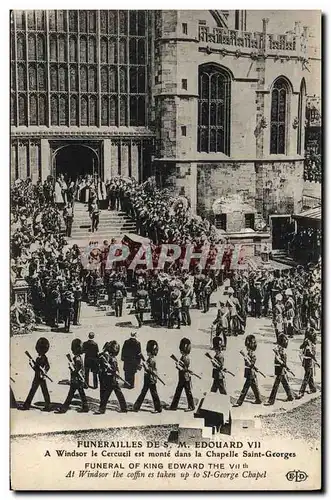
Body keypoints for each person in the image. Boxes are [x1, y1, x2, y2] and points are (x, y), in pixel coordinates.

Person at [56, 339, 89, 413]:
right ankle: (85, 407)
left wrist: (71, 368)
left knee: (70, 395)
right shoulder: (79, 357)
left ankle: (64, 409)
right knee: (81, 394)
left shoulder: (76, 358)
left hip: (76, 379)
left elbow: (77, 369)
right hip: (79, 379)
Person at [97, 341, 127, 414]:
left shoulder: (111, 358)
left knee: (106, 394)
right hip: (111, 377)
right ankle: (124, 408)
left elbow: (114, 368)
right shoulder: (110, 357)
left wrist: (114, 372)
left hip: (111, 378)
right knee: (118, 393)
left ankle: (102, 409)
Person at [266, 334, 297, 405]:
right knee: (284, 383)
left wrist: (284, 366)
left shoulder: (281, 350)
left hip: (280, 368)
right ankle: (290, 396)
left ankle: (271, 400)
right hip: (279, 367)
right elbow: (279, 358)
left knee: (276, 385)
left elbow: (281, 360)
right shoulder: (279, 349)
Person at [22, 337, 51, 412]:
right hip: (38, 377)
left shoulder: (44, 358)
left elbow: (47, 366)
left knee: (42, 391)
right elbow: (36, 368)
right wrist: (32, 364)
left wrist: (44, 371)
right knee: (35, 391)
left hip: (41, 377)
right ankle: (27, 405)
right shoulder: (38, 358)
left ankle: (47, 405)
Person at [133, 340, 162, 413]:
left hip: (151, 379)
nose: (147, 352)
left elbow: (150, 370)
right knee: (144, 392)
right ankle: (136, 406)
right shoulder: (150, 359)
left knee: (153, 394)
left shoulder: (152, 360)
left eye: (148, 351)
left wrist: (145, 366)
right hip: (148, 378)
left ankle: (158, 408)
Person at [233, 334, 262, 407]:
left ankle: (239, 402)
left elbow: (251, 365)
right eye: (248, 349)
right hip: (249, 372)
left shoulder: (253, 356)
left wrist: (247, 360)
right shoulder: (248, 355)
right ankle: (258, 400)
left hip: (251, 373)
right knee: (254, 387)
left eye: (249, 349)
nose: (248, 350)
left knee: (245, 388)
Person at [168, 338, 195, 412]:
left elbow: (184, 369)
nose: (181, 352)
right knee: (178, 391)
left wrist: (177, 366)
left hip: (185, 377)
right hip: (182, 377)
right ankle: (174, 406)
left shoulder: (186, 358)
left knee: (187, 392)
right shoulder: (184, 357)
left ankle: (191, 406)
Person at [298, 329, 318, 398]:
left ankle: (301, 392)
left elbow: (312, 354)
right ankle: (312, 388)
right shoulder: (307, 342)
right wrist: (305, 345)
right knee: (309, 375)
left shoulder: (312, 344)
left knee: (306, 376)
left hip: (309, 361)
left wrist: (308, 348)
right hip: (306, 360)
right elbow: (301, 347)